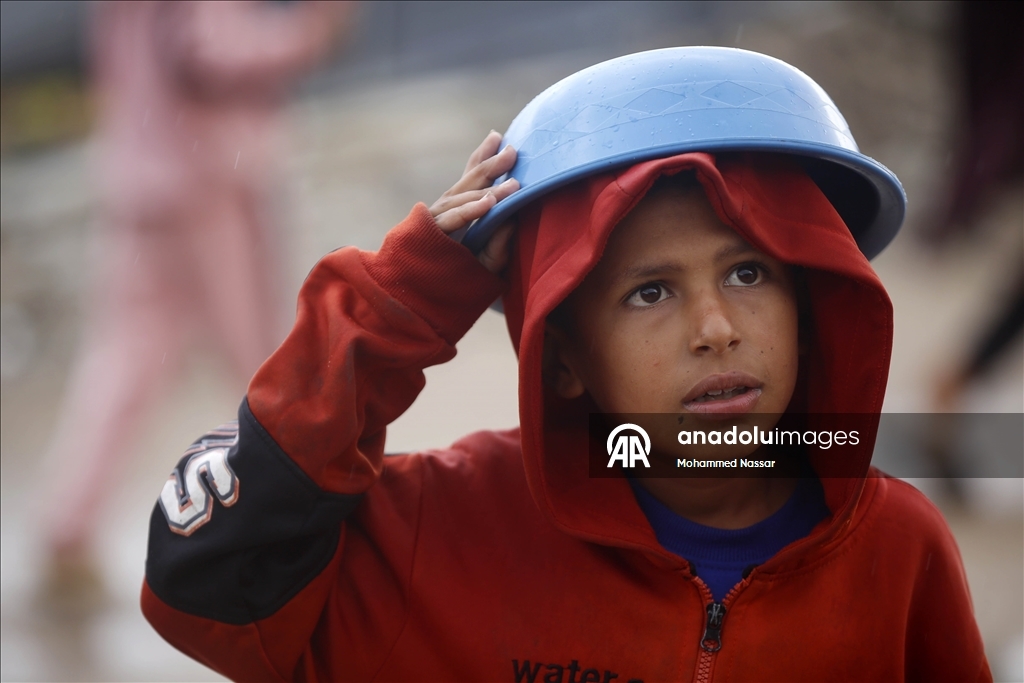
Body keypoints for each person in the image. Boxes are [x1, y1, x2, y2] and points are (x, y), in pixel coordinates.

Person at [141, 48, 989, 681]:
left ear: (812, 301)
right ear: (564, 357)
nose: (717, 327)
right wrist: (405, 300)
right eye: (650, 292)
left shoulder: (897, 547)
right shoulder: (445, 526)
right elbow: (211, 577)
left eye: (748, 271)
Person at [39, 0, 350, 607]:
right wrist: (310, 33)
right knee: (262, 359)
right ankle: (307, 515)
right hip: (206, 180)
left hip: (140, 175)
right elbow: (207, 53)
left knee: (123, 360)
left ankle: (67, 526)